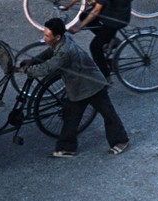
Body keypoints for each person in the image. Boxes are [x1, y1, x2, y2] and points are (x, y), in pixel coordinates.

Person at [20, 18, 129, 157]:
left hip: (92, 85)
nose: (44, 38)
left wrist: (27, 70)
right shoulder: (61, 41)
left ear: (57, 37)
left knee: (108, 114)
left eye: (47, 35)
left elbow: (48, 67)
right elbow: (49, 53)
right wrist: (34, 60)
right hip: (77, 87)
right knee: (70, 116)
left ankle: (120, 141)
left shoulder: (65, 52)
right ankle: (67, 148)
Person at [63, 0, 132, 81]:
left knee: (95, 47)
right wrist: (70, 4)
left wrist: (79, 27)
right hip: (112, 8)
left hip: (116, 17)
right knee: (84, 16)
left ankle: (106, 77)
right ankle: (110, 40)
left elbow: (96, 10)